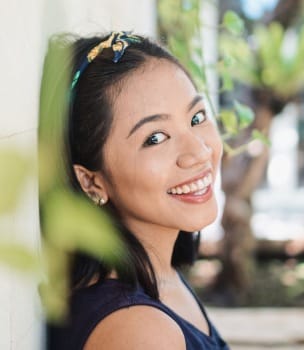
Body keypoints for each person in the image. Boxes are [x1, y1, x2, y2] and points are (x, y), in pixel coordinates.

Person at [44, 30, 228, 350]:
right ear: (91, 181)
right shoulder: (138, 332)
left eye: (197, 117)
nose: (198, 151)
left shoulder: (157, 273)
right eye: (155, 138)